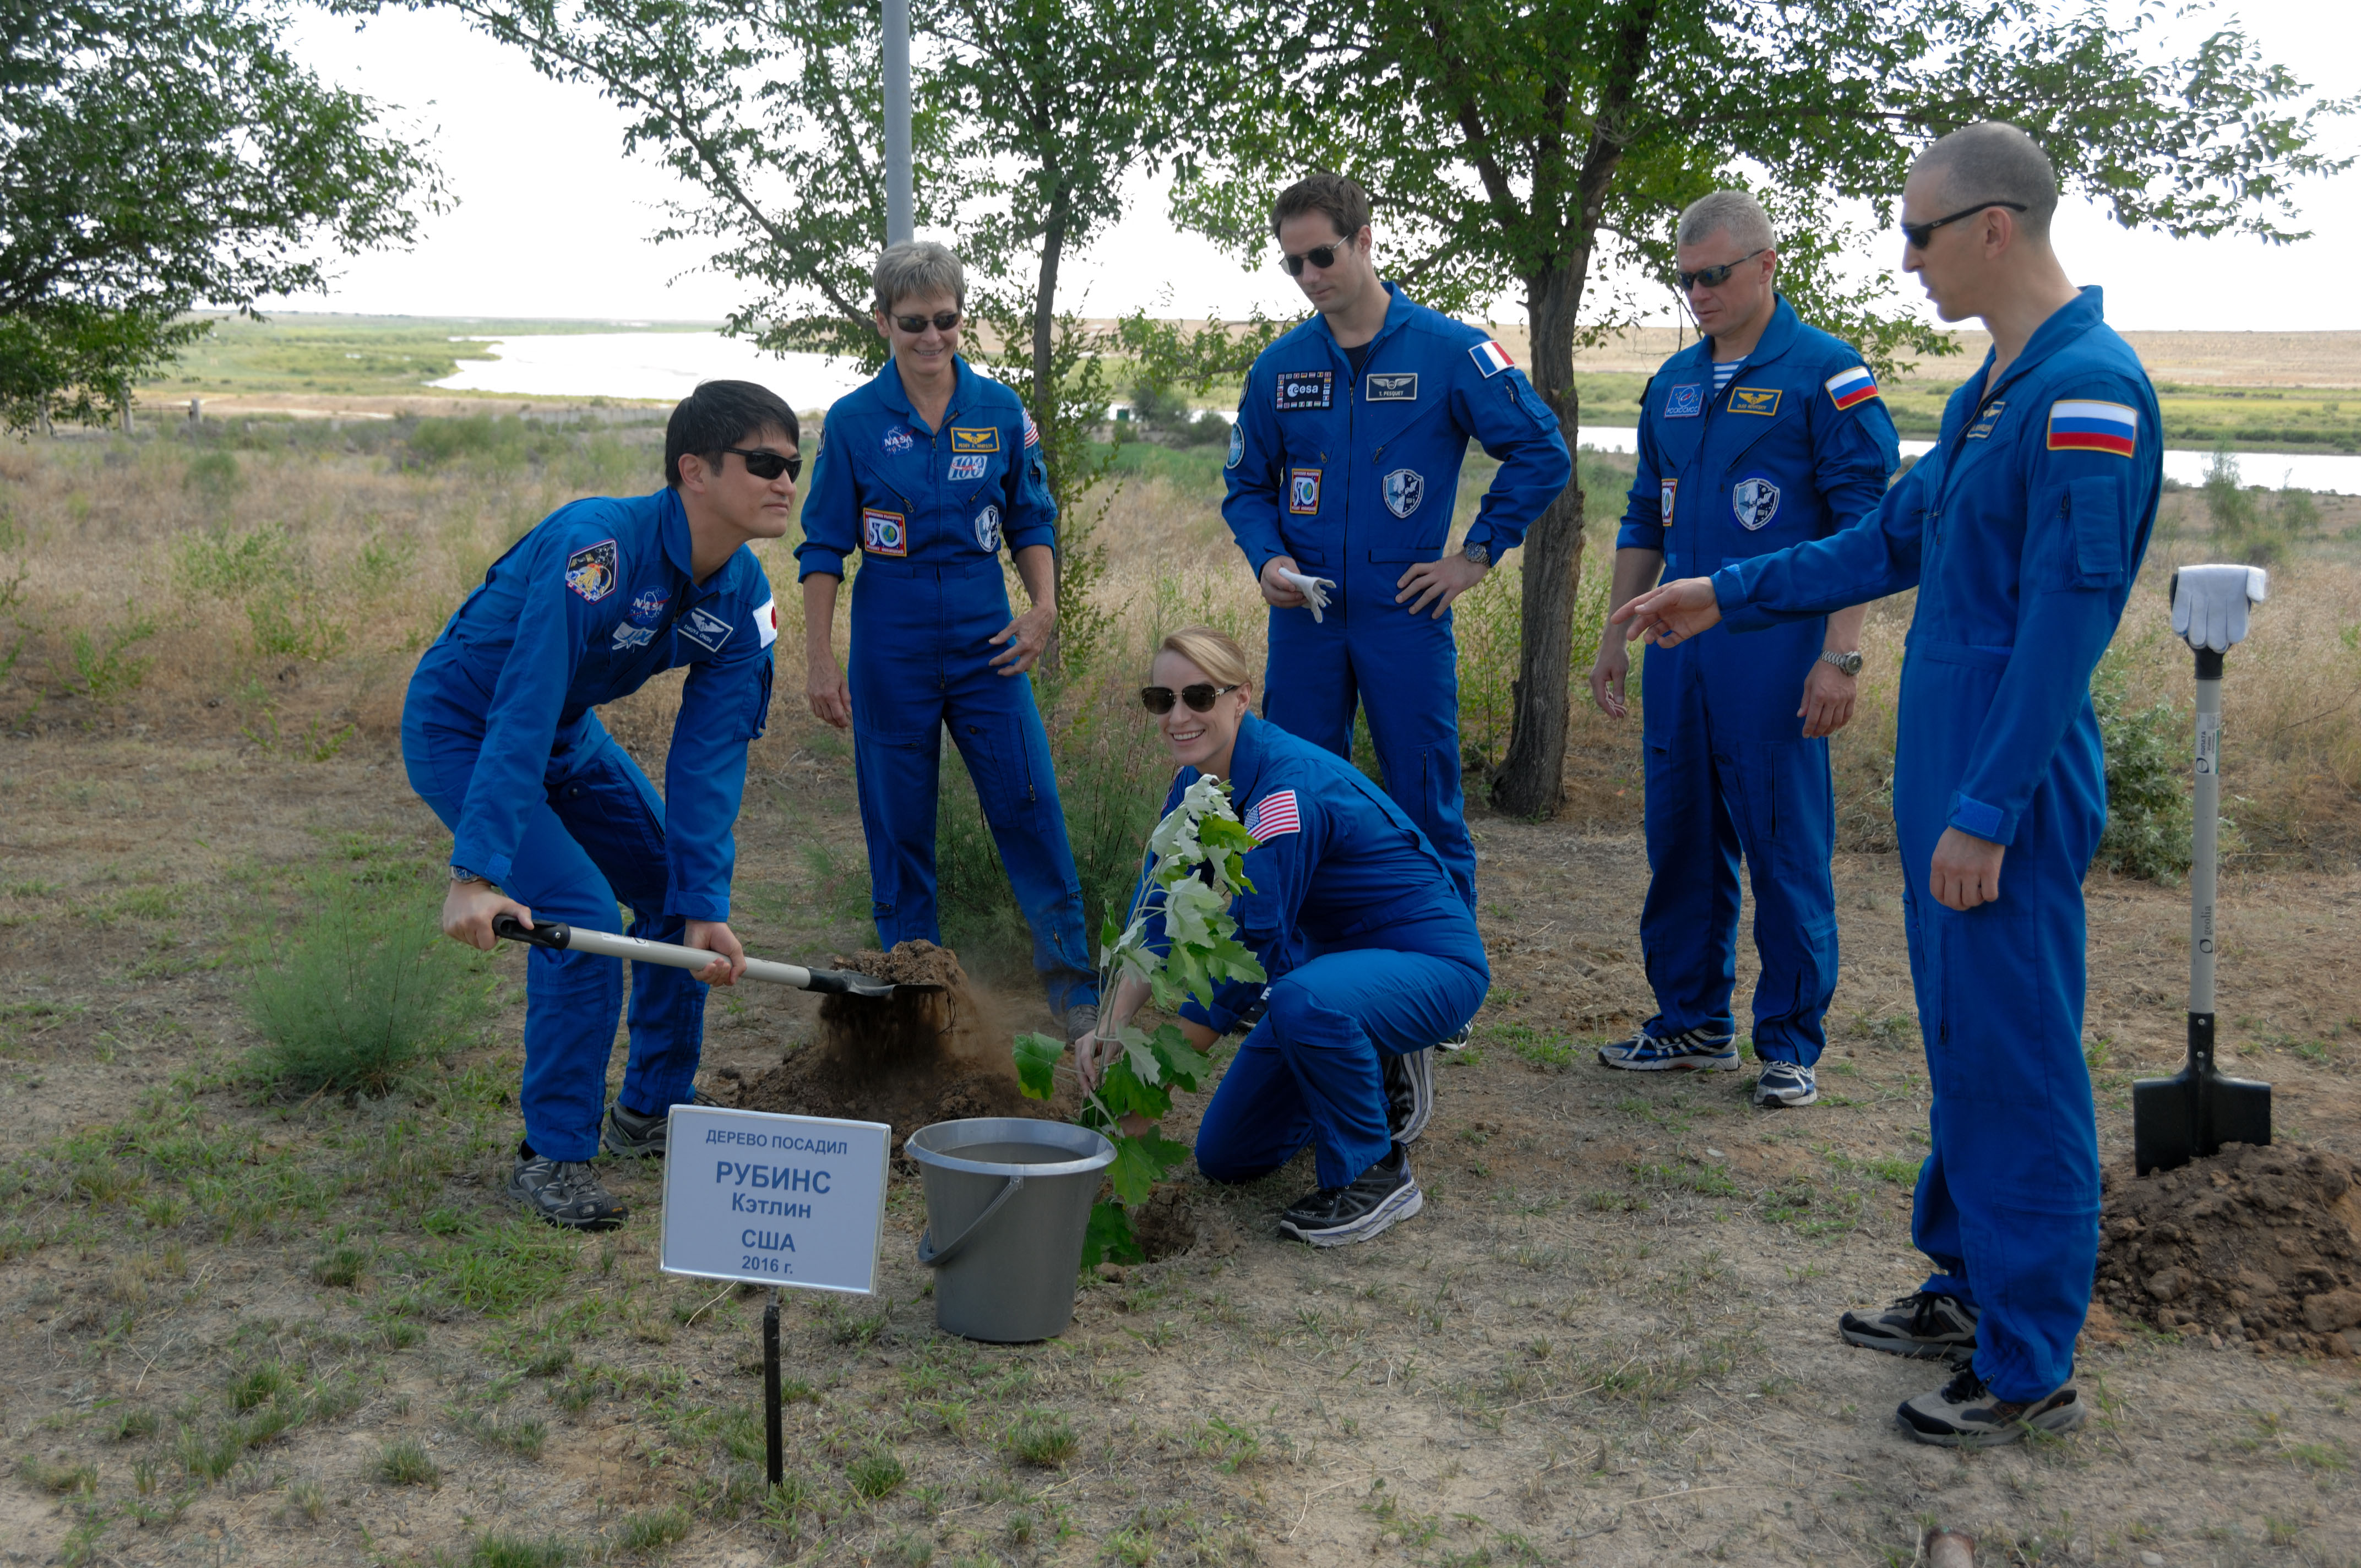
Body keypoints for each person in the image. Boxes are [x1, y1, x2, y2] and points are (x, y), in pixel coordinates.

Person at [1614, 123, 2161, 1446]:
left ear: (1993, 226)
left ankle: (2027, 1357)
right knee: (1960, 1036)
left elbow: (2062, 626)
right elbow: (1882, 537)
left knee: (2018, 1051)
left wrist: (1987, 806)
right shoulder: (1991, 389)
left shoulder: (2086, 388)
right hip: (1944, 764)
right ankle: (1965, 1280)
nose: (1902, 259)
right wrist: (1719, 590)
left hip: (1998, 775)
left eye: (1916, 234)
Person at [1223, 171, 1569, 1129]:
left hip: (1404, 613)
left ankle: (1437, 986)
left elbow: (1541, 453)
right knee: (1287, 801)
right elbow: (1244, 484)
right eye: (1291, 262)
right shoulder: (1278, 366)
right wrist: (1266, 558)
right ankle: (1295, 972)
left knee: (1422, 796)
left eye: (1321, 256)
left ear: (1367, 240)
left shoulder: (1453, 350)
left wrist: (1473, 556)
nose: (1308, 276)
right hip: (1305, 619)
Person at [406, 379, 791, 1231]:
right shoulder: (597, 550)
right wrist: (477, 872)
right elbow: (525, 696)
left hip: (565, 735)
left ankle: (650, 1114)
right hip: (467, 725)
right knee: (578, 912)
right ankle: (554, 1154)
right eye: (764, 462)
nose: (786, 482)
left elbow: (711, 755)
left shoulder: (744, 597)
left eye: (793, 465)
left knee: (668, 892)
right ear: (694, 469)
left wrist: (706, 901)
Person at [1587, 190, 1900, 1108]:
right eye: (1684, 279)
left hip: (1774, 650)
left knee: (1783, 846)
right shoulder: (1674, 383)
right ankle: (1689, 1020)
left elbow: (1868, 528)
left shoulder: (1825, 375)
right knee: (1679, 837)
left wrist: (1839, 654)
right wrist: (1615, 635)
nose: (1698, 293)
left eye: (1714, 275)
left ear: (1767, 263)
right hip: (1677, 649)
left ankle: (1791, 1042)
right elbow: (1644, 511)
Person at [1075, 627, 1489, 1245]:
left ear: (1242, 697)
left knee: (1298, 997)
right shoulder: (1195, 785)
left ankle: (1375, 1173)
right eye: (1162, 700)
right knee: (1227, 1154)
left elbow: (1251, 952)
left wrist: (1157, 1076)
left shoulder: (1284, 790)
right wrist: (1111, 1022)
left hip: (1429, 963)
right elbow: (1158, 908)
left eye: (1199, 697)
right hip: (1338, 972)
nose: (1178, 715)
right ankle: (1370, 1061)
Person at [798, 242, 1098, 1037]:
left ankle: (1074, 991)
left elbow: (1032, 518)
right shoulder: (855, 422)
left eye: (946, 320)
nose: (930, 337)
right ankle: (915, 1000)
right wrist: (820, 658)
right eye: (912, 323)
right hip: (889, 646)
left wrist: (1042, 608)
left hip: (986, 641)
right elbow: (823, 547)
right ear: (881, 323)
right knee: (898, 827)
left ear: (963, 315)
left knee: (1030, 806)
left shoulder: (1002, 412)